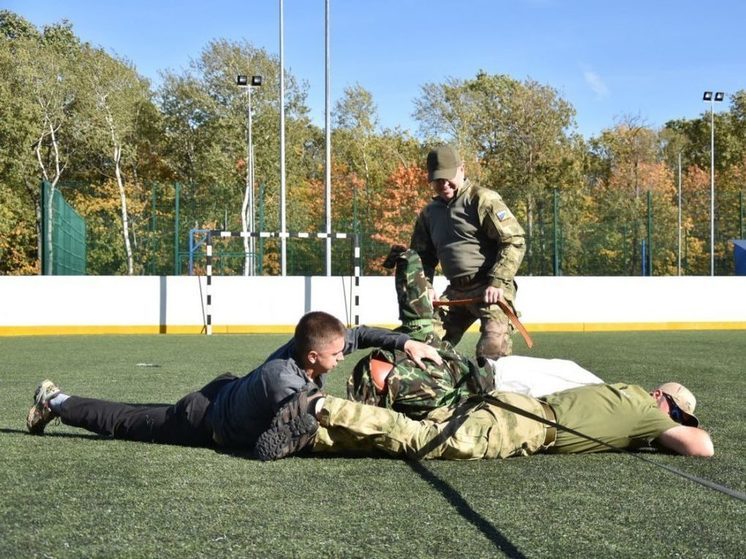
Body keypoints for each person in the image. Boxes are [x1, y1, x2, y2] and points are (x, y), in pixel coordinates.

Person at [26, 311, 443, 451]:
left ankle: (58, 400)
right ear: (314, 356)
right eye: (336, 355)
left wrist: (407, 344)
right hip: (203, 420)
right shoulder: (285, 380)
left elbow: (360, 333)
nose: (342, 356)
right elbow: (312, 416)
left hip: (223, 391)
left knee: (139, 413)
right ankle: (55, 401)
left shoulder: (302, 348)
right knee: (126, 422)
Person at [347, 247, 602, 419]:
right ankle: (630, 401)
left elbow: (413, 301)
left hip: (501, 377)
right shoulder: (413, 348)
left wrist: (408, 259)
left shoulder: (412, 345)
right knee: (578, 392)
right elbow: (414, 300)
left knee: (574, 381)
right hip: (501, 384)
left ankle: (628, 399)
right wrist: (406, 257)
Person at [257, 378, 714, 461]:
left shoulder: (623, 391)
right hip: (527, 425)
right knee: (426, 441)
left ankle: (313, 437)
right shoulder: (645, 414)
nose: (675, 422)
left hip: (514, 405)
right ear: (661, 399)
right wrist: (673, 429)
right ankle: (322, 408)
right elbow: (701, 447)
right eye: (676, 412)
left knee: (409, 436)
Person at [410, 144, 526, 360]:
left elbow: (513, 241)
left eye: (448, 177)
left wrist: (497, 282)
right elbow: (421, 257)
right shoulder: (428, 214)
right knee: (424, 343)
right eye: (437, 180)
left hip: (489, 288)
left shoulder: (482, 200)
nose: (444, 185)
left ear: (461, 169)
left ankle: (494, 391)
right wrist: (426, 286)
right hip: (455, 293)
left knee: (492, 348)